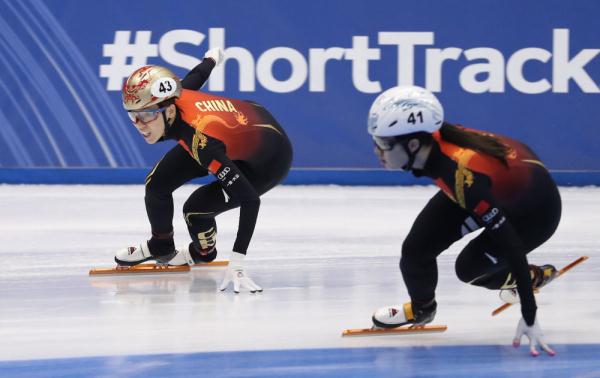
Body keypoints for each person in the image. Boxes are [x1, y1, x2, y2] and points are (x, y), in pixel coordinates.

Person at [367, 85, 561, 357]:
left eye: (384, 144)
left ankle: (533, 277)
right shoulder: (437, 145)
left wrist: (529, 315)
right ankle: (422, 309)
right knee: (415, 252)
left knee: (470, 270)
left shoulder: (459, 174)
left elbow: (512, 246)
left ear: (413, 144)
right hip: (495, 186)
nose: (378, 151)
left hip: (533, 212)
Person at [114, 48, 293, 293]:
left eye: (146, 115)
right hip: (238, 129)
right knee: (156, 185)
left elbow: (250, 200)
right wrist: (211, 59)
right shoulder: (175, 98)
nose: (140, 126)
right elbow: (194, 78)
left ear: (168, 110)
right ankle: (161, 245)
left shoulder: (203, 143)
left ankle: (203, 253)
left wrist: (238, 261)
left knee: (196, 210)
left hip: (268, 160)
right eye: (133, 116)